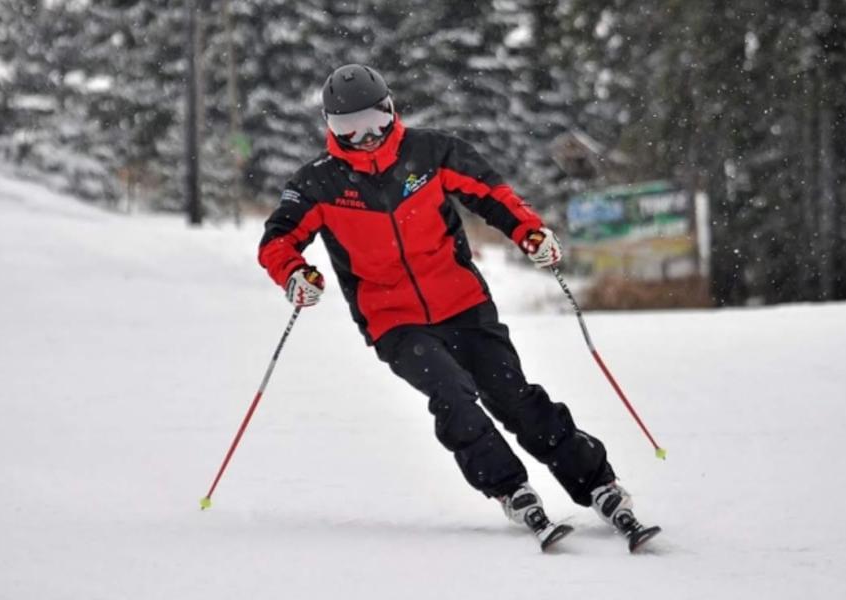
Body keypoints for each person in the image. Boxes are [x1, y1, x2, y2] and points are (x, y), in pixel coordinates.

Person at [258, 64, 656, 549]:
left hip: (463, 303)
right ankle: (511, 488)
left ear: (390, 109)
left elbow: (494, 195)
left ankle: (597, 484)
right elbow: (277, 241)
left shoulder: (431, 152)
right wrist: (295, 274)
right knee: (452, 394)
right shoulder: (318, 183)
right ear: (330, 127)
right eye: (347, 128)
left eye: (373, 122)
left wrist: (529, 232)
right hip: (393, 321)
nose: (364, 137)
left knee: (513, 395)